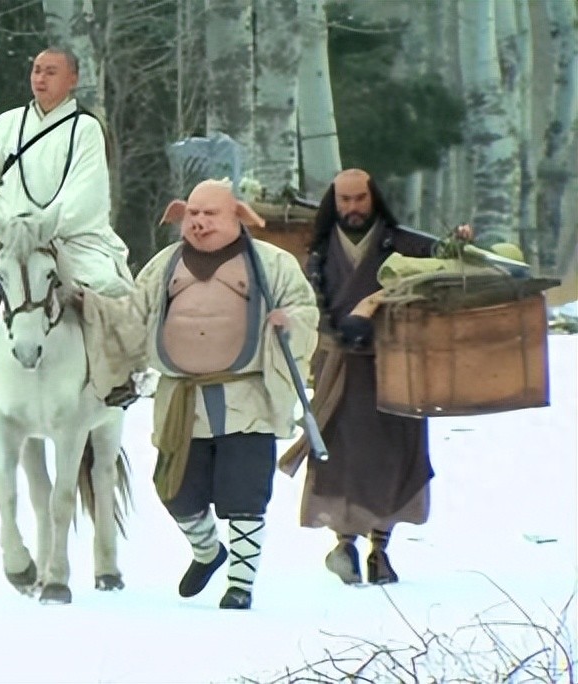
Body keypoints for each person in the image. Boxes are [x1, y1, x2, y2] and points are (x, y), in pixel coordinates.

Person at [77, 179, 319, 609]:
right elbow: (132, 315)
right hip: (181, 401)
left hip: (247, 399)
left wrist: (290, 320)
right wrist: (92, 307)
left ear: (237, 216)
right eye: (192, 213)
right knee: (176, 491)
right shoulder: (163, 265)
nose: (200, 222)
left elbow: (304, 307)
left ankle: (240, 585)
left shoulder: (272, 263)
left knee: (245, 495)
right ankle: (208, 551)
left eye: (211, 214)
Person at [278, 168, 473, 586]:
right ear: (335, 202)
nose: (353, 208)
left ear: (373, 199)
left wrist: (458, 242)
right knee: (341, 456)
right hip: (340, 369)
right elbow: (305, 305)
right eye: (345, 200)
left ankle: (380, 548)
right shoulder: (318, 252)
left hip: (397, 366)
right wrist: (336, 332)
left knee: (394, 453)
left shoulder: (401, 243)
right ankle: (344, 544)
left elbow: (443, 258)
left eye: (360, 199)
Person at [0, 46, 137, 428]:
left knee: (105, 296)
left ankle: (113, 380)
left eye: (51, 72)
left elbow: (86, 190)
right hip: (10, 240)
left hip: (70, 239)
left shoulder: (85, 129)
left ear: (73, 80)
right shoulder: (6, 125)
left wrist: (43, 228)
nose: (40, 79)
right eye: (36, 70)